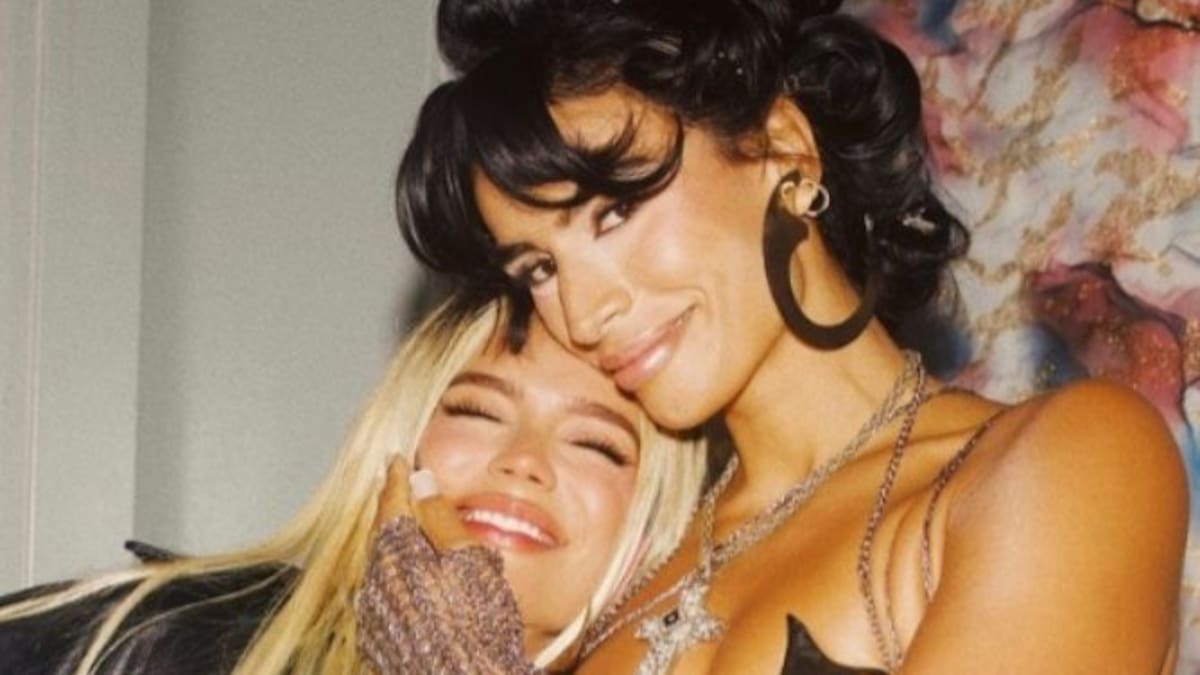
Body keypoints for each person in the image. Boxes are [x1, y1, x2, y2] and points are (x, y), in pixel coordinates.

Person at [393, 0, 1190, 672]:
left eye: (614, 211)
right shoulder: (618, 575)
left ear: (784, 147)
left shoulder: (1063, 461)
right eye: (539, 266)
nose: (583, 310)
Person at [0, 299, 706, 674]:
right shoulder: (166, 639)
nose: (524, 460)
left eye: (596, 444)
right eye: (478, 411)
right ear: (399, 443)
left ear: (653, 520)